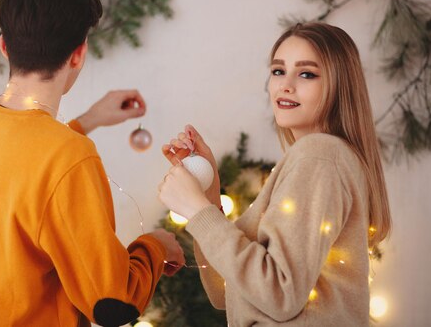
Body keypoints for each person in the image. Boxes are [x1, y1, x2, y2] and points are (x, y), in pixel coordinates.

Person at [0, 0, 184, 327]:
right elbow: (111, 303)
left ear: (4, 46)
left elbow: (24, 173)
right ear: (78, 55)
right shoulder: (70, 157)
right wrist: (156, 246)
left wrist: (89, 120)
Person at [157, 22, 391, 326]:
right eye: (278, 71)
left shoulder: (319, 157)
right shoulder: (320, 159)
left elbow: (280, 295)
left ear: (338, 85)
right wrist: (208, 195)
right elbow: (223, 289)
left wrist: (195, 209)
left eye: (307, 73)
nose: (286, 85)